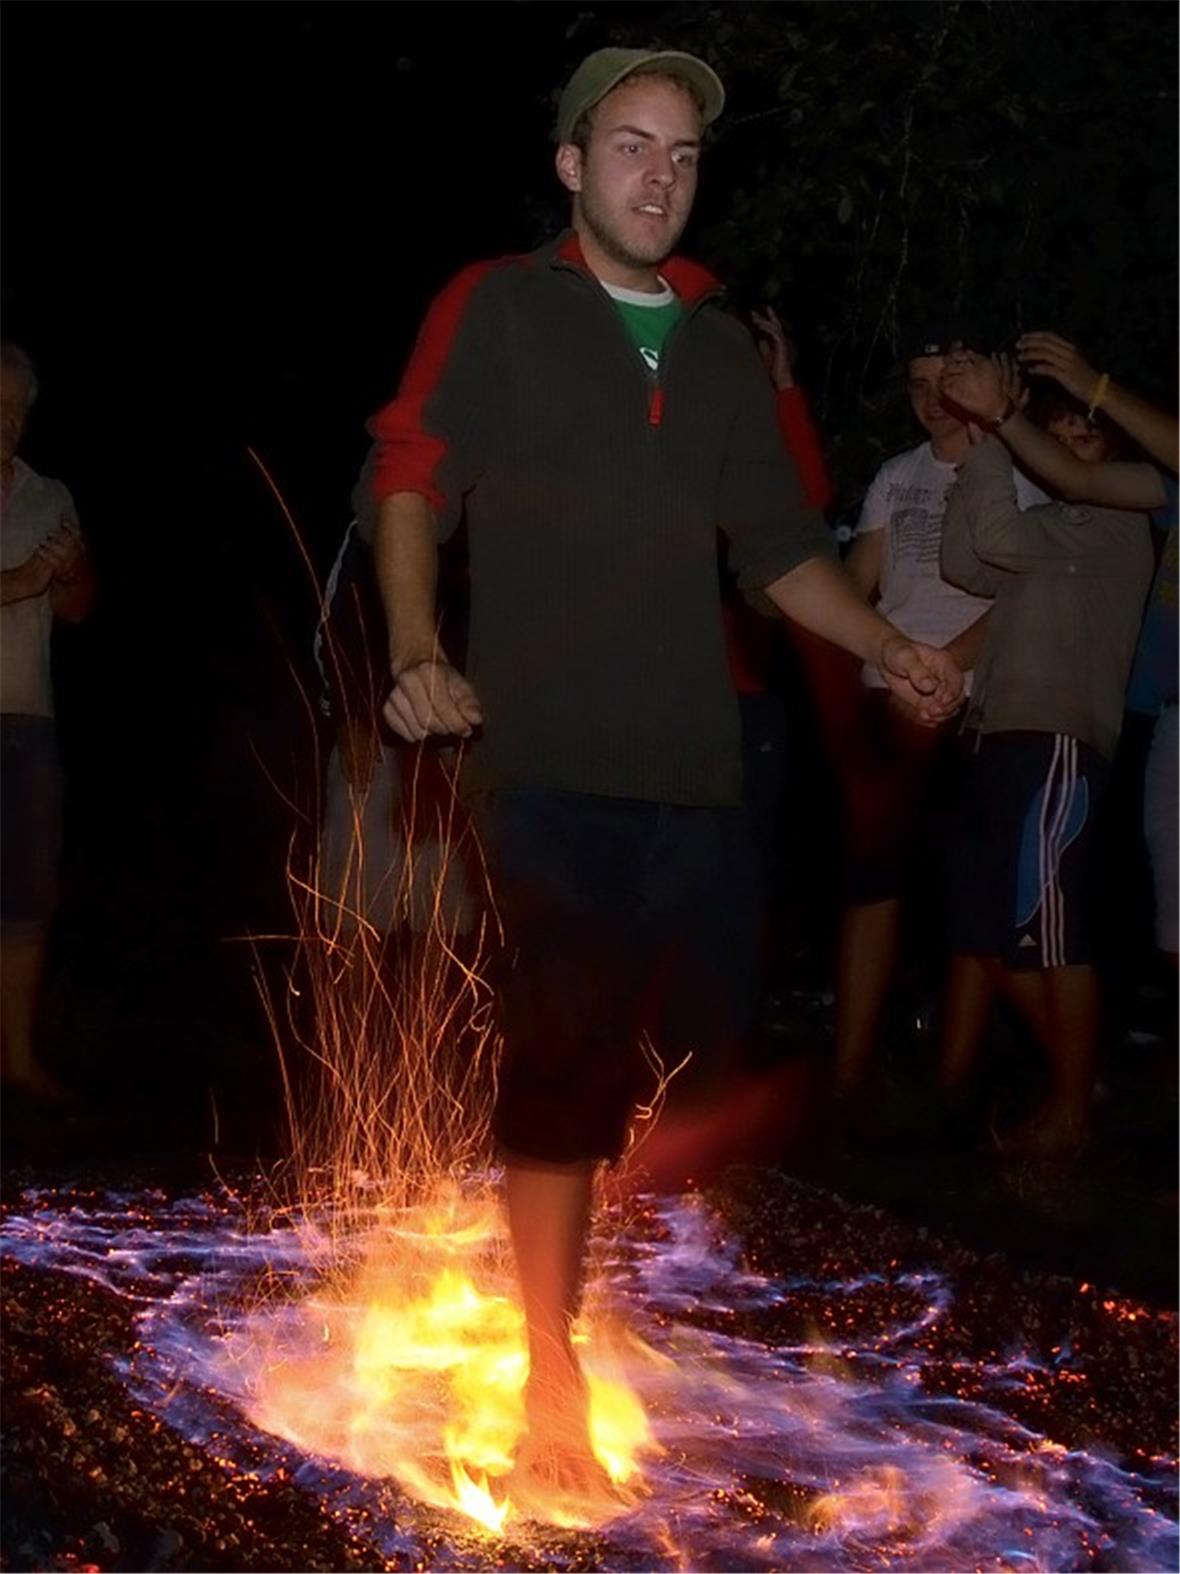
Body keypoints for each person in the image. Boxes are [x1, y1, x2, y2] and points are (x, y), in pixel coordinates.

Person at [365, 48, 962, 1509]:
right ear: (572, 163)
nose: (658, 174)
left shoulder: (708, 353)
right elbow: (410, 472)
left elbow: (778, 546)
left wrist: (888, 641)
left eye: (683, 154)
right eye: (630, 145)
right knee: (564, 1053)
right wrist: (416, 643)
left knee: (701, 1051)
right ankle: (550, 1353)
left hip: (698, 771)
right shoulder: (499, 304)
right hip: (547, 759)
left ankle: (576, 1233)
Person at [936, 348, 1155, 1157]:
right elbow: (965, 559)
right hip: (999, 734)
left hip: (1061, 738)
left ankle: (1070, 1110)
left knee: (1052, 927)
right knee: (987, 931)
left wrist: (996, 428)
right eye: (1057, 430)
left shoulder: (1116, 524)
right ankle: (1079, 1076)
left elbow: (993, 535)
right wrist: (984, 444)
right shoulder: (1046, 533)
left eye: (1083, 437)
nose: (1067, 444)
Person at [831, 326, 1047, 1112]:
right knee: (870, 882)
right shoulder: (896, 475)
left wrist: (943, 667)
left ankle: (959, 1080)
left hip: (972, 703)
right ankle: (849, 1077)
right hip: (886, 693)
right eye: (917, 386)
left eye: (943, 381)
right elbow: (861, 576)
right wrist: (872, 646)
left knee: (972, 895)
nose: (930, 400)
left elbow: (1023, 598)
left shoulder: (1023, 476)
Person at [1014, 333, 1177, 967]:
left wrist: (1095, 388)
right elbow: (1075, 478)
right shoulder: (1167, 484)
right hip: (1170, 718)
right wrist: (1000, 416)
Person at [1, 344, 96, 1098]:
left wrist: (67, 576)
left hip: (29, 717)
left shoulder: (49, 493)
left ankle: (20, 1059)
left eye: (17, 409)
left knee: (28, 892)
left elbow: (78, 610)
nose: (7, 421)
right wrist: (24, 577)